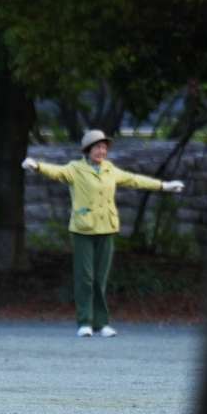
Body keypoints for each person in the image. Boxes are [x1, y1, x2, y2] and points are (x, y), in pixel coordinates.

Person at [23, 129, 184, 338]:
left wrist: (164, 185)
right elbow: (56, 172)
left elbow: (134, 179)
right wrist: (37, 166)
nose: (102, 151)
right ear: (88, 149)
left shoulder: (110, 169)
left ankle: (101, 323)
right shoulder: (76, 169)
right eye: (98, 147)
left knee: (100, 278)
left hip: (107, 228)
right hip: (84, 229)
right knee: (85, 278)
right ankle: (84, 322)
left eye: (104, 147)